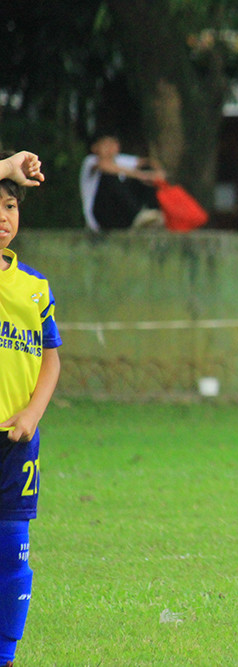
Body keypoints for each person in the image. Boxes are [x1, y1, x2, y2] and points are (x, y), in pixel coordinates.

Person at [0, 152, 62, 666]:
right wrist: (6, 163)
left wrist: (32, 414)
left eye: (10, 206)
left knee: (13, 555)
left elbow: (51, 360)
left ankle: (5, 655)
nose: (3, 217)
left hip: (16, 442)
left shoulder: (34, 286)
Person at [79, 133, 165, 232]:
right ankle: (137, 214)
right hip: (101, 215)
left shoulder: (120, 159)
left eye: (113, 144)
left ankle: (153, 214)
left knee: (146, 172)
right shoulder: (91, 161)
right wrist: (141, 175)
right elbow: (105, 167)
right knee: (110, 177)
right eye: (106, 145)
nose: (110, 148)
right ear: (95, 148)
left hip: (121, 214)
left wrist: (156, 173)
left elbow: (148, 162)